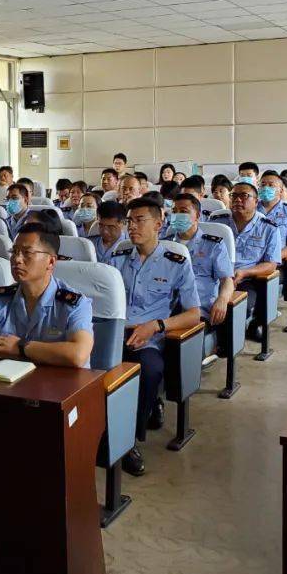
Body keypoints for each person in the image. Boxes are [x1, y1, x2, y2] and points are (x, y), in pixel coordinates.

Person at [111, 198, 201, 477]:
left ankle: (129, 443)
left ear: (159, 225)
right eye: (129, 221)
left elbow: (194, 314)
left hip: (148, 335)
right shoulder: (116, 256)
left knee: (150, 370)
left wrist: (156, 325)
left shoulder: (176, 261)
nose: (132, 226)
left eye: (139, 220)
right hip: (114, 332)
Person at [0, 224, 94, 367]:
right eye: (14, 252)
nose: (17, 259)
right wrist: (11, 352)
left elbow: (78, 354)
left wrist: (20, 347)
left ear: (51, 261)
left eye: (27, 253)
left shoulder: (74, 303)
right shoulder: (0, 299)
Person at [217, 182, 281, 340]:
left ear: (256, 201)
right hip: (215, 276)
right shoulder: (217, 221)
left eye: (244, 196)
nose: (238, 200)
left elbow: (271, 264)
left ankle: (227, 343)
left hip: (246, 278)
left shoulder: (269, 228)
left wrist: (245, 272)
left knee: (236, 305)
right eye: (234, 196)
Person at [164, 193, 234, 325]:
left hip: (197, 311)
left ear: (198, 216)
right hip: (164, 309)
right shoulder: (164, 245)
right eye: (174, 211)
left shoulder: (213, 245)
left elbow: (227, 279)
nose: (177, 215)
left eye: (183, 211)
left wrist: (222, 300)